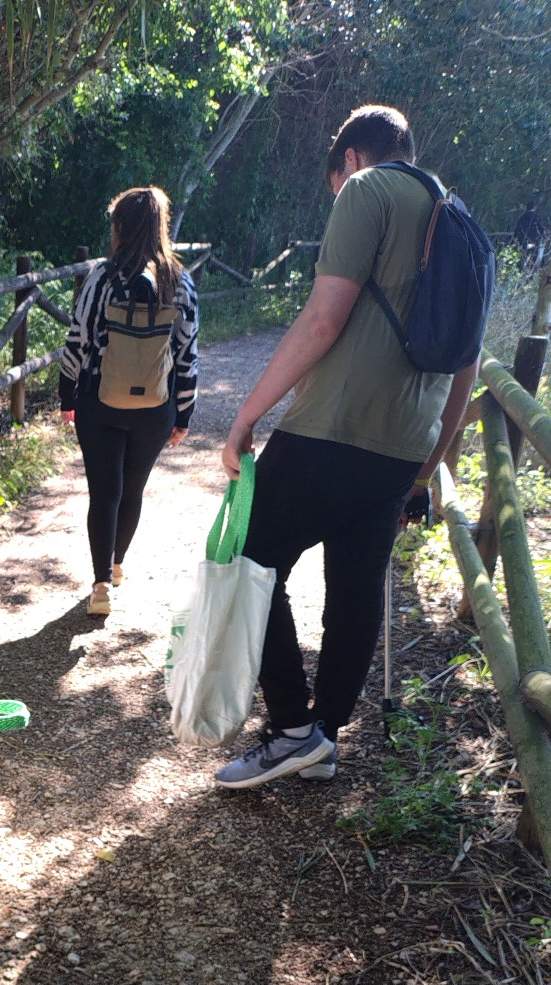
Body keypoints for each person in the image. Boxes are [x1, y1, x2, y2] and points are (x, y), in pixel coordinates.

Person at [213, 105, 478, 789]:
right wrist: (426, 465)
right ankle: (322, 737)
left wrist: (247, 414)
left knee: (247, 561)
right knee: (356, 590)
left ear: (350, 159)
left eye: (335, 183)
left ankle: (292, 729)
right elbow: (467, 367)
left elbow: (323, 320)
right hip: (404, 446)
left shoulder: (366, 190)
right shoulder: (459, 220)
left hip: (330, 428)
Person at [59, 186, 199, 617]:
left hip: (99, 403)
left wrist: (67, 395)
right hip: (155, 409)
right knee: (132, 489)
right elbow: (187, 353)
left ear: (120, 227)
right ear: (160, 227)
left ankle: (100, 585)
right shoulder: (180, 281)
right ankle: (117, 565)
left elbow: (78, 339)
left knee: (104, 493)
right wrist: (184, 413)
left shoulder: (101, 278)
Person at [514, 199, 546, 269]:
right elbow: (541, 228)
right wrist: (543, 236)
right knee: (541, 252)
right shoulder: (537, 216)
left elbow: (517, 230)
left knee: (523, 256)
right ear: (534, 207)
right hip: (534, 241)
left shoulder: (522, 217)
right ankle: (539, 267)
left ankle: (521, 267)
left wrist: (517, 239)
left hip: (523, 241)